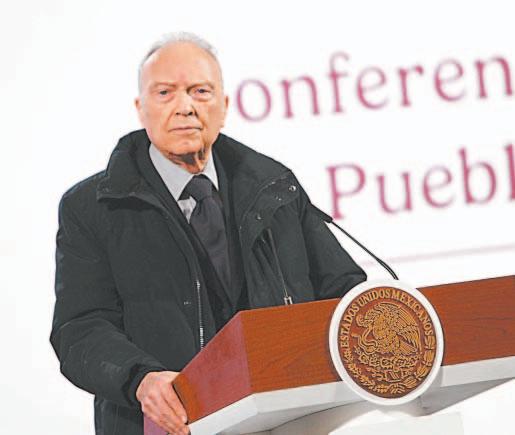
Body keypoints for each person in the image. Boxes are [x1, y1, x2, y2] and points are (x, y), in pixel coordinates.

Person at [50, 32, 366, 435]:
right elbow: (79, 329)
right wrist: (140, 379)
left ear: (225, 106)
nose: (185, 107)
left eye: (200, 91)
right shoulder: (93, 208)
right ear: (140, 109)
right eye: (165, 93)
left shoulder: (274, 187)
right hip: (167, 424)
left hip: (285, 420)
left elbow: (343, 290)